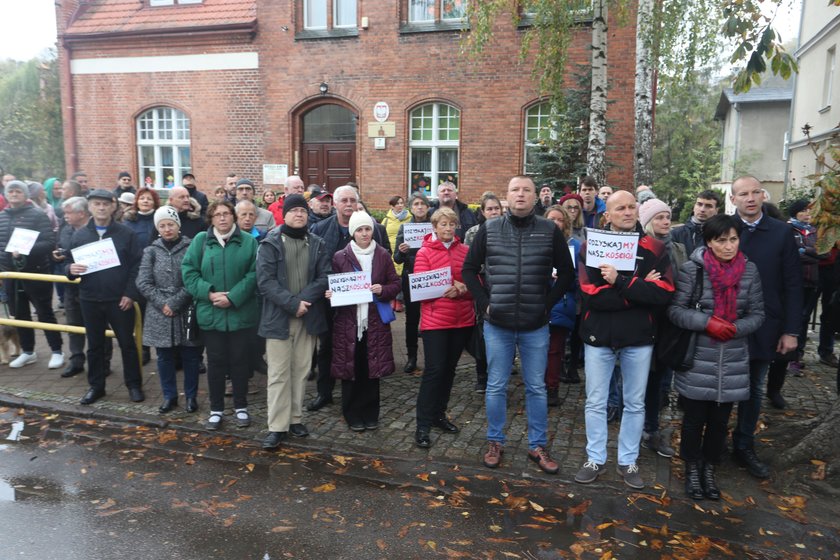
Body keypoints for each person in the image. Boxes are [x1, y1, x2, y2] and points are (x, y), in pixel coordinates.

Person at [462, 176, 575, 474]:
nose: (521, 194)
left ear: (536, 196)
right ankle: (495, 441)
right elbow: (469, 270)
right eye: (515, 189)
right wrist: (485, 303)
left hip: (535, 323)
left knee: (536, 387)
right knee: (496, 385)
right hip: (497, 322)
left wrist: (546, 304)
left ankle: (537, 445)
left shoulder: (549, 229)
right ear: (507, 196)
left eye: (526, 190)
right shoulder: (489, 228)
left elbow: (566, 273)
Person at [574, 190, 675, 489]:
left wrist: (620, 282)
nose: (628, 212)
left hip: (639, 337)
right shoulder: (590, 246)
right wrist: (639, 290)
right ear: (608, 214)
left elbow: (664, 294)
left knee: (634, 402)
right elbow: (591, 295)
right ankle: (595, 457)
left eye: (632, 207)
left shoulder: (655, 248)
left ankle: (627, 461)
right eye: (621, 208)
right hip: (599, 334)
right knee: (595, 400)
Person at [667, 214, 765, 500]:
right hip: (699, 356)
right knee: (694, 419)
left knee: (720, 422)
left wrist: (735, 328)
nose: (728, 246)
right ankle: (692, 468)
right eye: (721, 241)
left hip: (733, 357)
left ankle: (709, 468)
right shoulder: (692, 270)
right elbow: (676, 310)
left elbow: (758, 314)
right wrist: (707, 322)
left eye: (733, 239)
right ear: (709, 242)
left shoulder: (749, 271)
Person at [729, 175, 802, 479]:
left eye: (755, 192)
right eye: (743, 194)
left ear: (763, 196)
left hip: (766, 324)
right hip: (726, 322)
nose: (750, 198)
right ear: (733, 199)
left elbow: (793, 283)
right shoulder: (723, 228)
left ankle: (744, 445)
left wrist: (791, 330)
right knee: (721, 385)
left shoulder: (782, 232)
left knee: (755, 388)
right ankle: (712, 442)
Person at [257, 194, 331, 449]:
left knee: (300, 371)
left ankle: (295, 418)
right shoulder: (270, 243)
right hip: (278, 318)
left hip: (307, 317)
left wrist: (303, 302)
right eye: (294, 210)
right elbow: (265, 281)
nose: (299, 214)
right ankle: (277, 426)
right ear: (284, 214)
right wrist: (292, 303)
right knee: (278, 374)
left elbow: (325, 277)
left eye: (302, 210)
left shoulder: (318, 243)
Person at [307, 185, 389, 411]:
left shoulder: (375, 229)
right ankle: (325, 392)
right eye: (344, 200)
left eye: (353, 200)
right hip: (331, 302)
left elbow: (385, 260)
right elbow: (315, 265)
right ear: (335, 204)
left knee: (358, 349)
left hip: (364, 305)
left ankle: (357, 395)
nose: (349, 204)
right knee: (327, 348)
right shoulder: (319, 228)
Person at [182, 200, 259, 430]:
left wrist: (233, 297)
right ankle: (216, 410)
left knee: (240, 361)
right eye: (217, 215)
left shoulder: (249, 242)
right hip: (211, 313)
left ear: (233, 216)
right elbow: (189, 272)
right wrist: (210, 293)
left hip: (240, 313)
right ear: (211, 219)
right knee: (215, 362)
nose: (223, 218)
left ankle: (241, 406)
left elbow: (254, 274)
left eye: (226, 214)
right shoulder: (200, 242)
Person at [67, 189, 143, 405]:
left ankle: (134, 385)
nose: (101, 208)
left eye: (105, 204)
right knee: (95, 345)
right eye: (96, 204)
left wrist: (130, 293)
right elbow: (69, 263)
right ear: (89, 207)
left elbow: (136, 265)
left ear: (113, 207)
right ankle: (96, 387)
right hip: (90, 299)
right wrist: (69, 270)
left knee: (127, 344)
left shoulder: (125, 234)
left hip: (119, 300)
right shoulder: (80, 235)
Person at [326, 212, 401, 431]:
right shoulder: (341, 256)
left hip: (374, 322)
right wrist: (332, 294)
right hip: (349, 323)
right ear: (353, 233)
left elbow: (395, 284)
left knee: (371, 369)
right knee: (351, 368)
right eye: (359, 230)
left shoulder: (383, 255)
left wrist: (383, 289)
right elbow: (334, 285)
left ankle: (370, 413)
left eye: (367, 229)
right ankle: (352, 414)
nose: (364, 233)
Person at [413, 207, 474, 448]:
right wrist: (449, 287)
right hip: (436, 321)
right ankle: (422, 424)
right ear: (434, 227)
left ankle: (439, 415)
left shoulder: (466, 251)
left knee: (449, 370)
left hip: (462, 319)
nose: (448, 228)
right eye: (443, 224)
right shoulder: (424, 253)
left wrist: (464, 288)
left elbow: (475, 282)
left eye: (452, 224)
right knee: (434, 371)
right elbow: (420, 289)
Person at [136, 206, 201, 414]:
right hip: (159, 311)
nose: (167, 229)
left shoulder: (191, 247)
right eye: (162, 225)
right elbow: (143, 282)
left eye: (170, 224)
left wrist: (175, 303)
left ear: (178, 226)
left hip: (185, 309)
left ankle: (191, 397)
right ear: (157, 228)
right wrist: (162, 303)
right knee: (164, 357)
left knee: (191, 356)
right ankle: (169, 396)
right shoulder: (151, 251)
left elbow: (195, 278)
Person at [638, 198, 688, 458]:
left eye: (667, 216)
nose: (665, 221)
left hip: (670, 323)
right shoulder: (640, 248)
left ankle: (651, 429)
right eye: (658, 217)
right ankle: (639, 427)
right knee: (640, 380)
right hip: (644, 322)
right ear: (647, 221)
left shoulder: (678, 249)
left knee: (660, 380)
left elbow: (684, 283)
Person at [0, 180, 64, 369]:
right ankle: (28, 351)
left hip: (35, 273)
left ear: (26, 194)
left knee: (45, 313)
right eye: (10, 191)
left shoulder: (37, 215)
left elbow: (49, 242)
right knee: (19, 316)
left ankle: (57, 351)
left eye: (18, 191)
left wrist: (26, 250)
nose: (14, 194)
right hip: (10, 276)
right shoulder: (2, 216)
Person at [766, 199, 820, 406]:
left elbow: (816, 256)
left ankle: (774, 391)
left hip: (783, 299)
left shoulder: (784, 235)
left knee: (781, 353)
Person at [463, 193, 503, 391]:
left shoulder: (507, 230)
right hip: (482, 288)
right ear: (482, 212)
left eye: (496, 208)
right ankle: (481, 374)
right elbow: (469, 263)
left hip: (503, 289)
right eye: (490, 209)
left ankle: (499, 373)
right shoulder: (474, 233)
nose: (494, 212)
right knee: (482, 332)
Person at [544, 205, 581, 402]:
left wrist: (564, 279)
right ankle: (538, 384)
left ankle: (552, 387)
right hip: (538, 301)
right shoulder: (538, 243)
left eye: (559, 219)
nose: (555, 223)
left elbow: (580, 279)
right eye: (552, 219)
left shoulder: (575, 246)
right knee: (537, 347)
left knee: (555, 349)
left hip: (562, 302)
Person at [394, 193, 433, 374]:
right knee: (411, 320)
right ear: (411, 208)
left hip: (431, 278)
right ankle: (412, 357)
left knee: (431, 318)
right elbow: (397, 258)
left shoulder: (434, 227)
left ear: (427, 207)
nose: (419, 207)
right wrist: (401, 252)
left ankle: (433, 357)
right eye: (416, 204)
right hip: (411, 278)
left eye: (422, 204)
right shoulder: (405, 228)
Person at [54, 196, 91, 377]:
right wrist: (59, 257)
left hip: (93, 287)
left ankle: (102, 362)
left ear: (81, 213)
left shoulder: (95, 230)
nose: (65, 216)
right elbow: (64, 253)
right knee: (73, 325)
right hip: (71, 286)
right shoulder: (65, 229)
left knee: (97, 327)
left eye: (68, 212)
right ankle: (76, 360)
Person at [671, 190, 722, 255]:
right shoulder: (676, 234)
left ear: (716, 210)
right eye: (699, 204)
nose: (702, 209)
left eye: (708, 206)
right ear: (694, 207)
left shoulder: (721, 234)